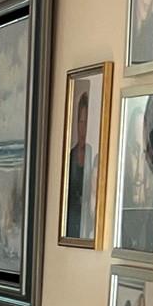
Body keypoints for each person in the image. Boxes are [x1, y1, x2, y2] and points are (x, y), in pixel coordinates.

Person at [66, 90, 97, 236]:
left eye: (87, 124)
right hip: (69, 225)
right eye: (81, 122)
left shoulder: (94, 156)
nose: (84, 129)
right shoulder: (69, 157)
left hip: (87, 227)